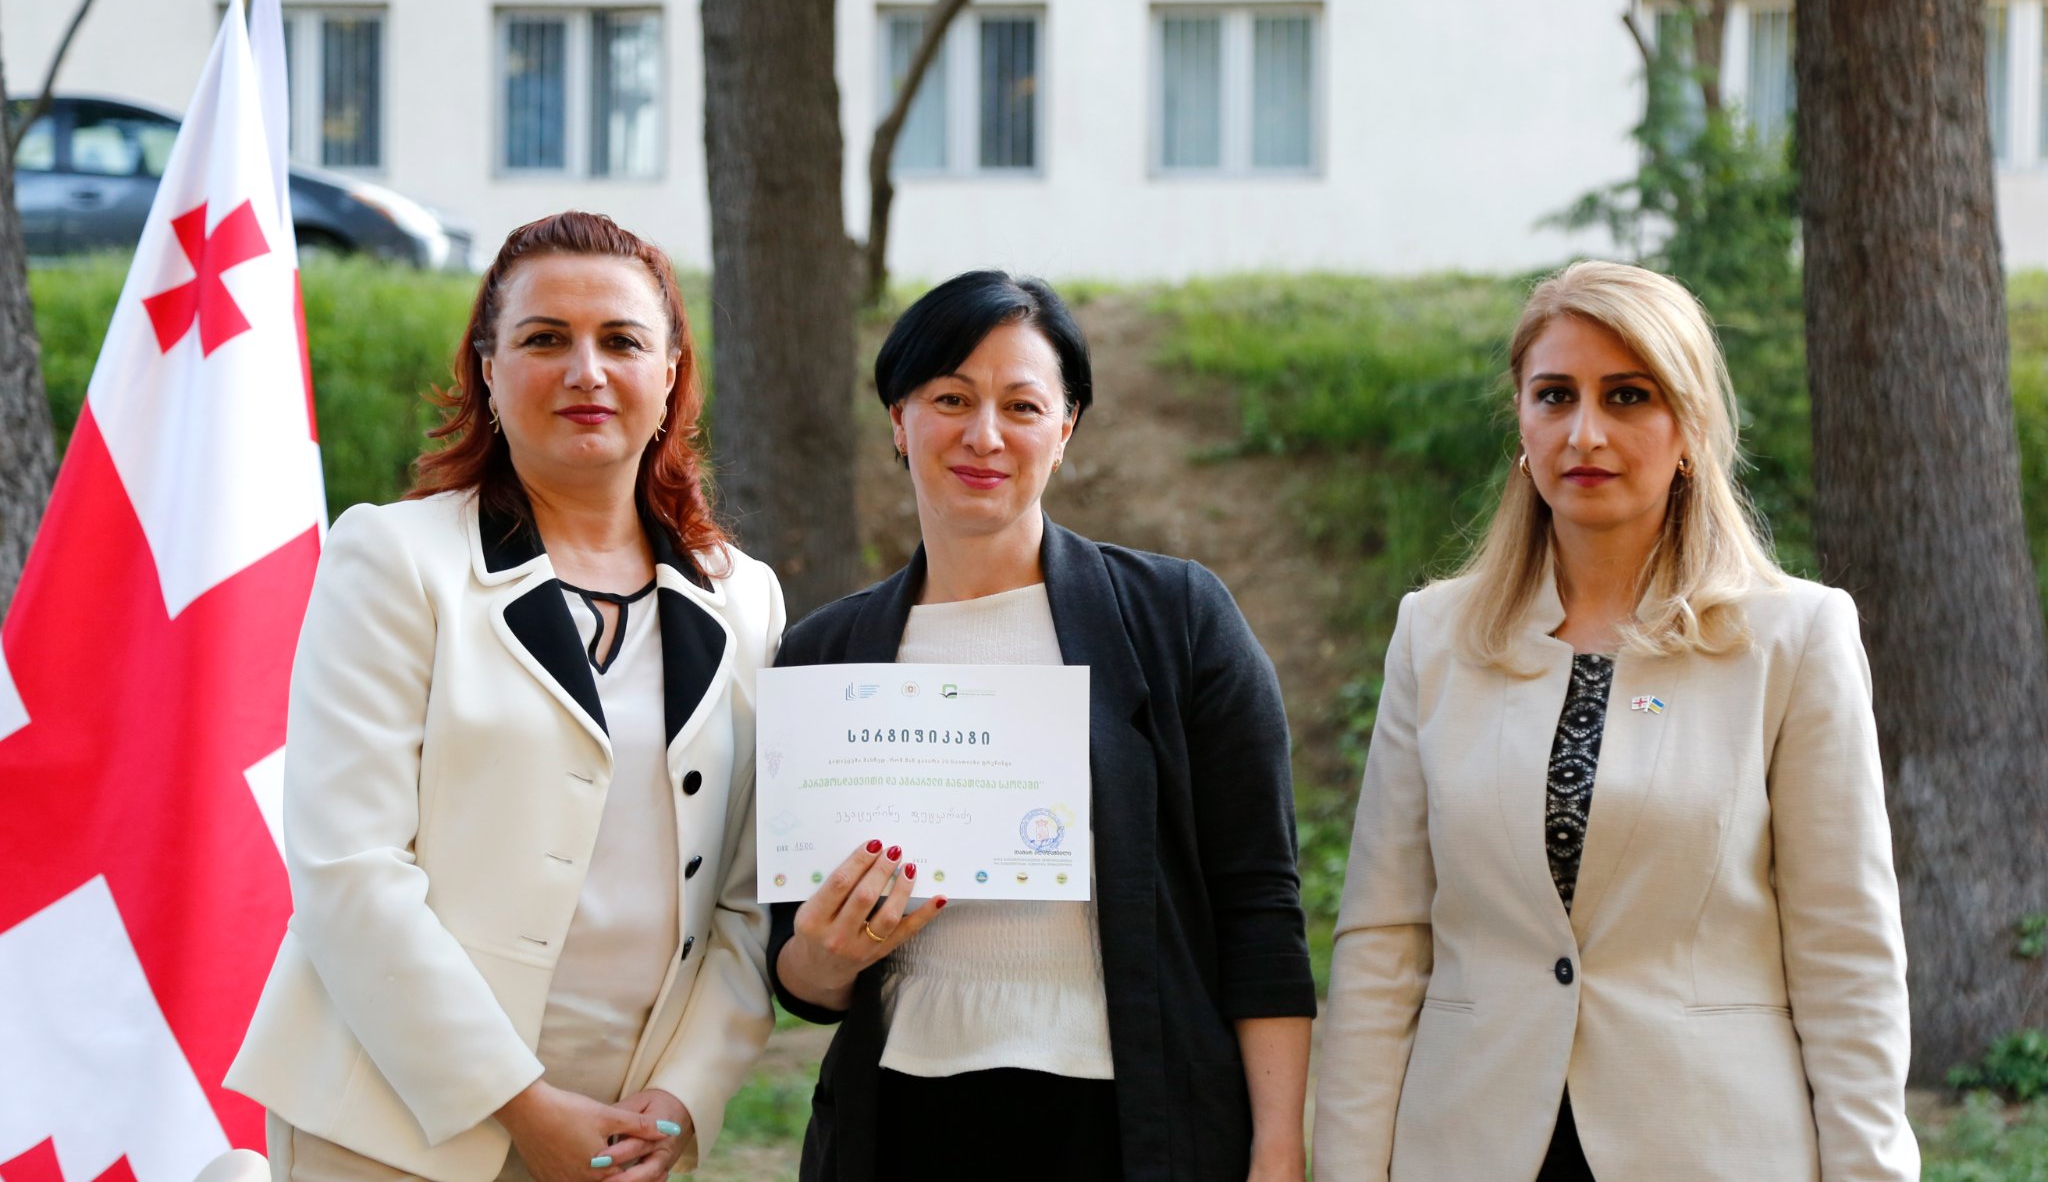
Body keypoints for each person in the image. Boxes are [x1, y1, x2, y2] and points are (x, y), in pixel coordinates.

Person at [1311, 260, 1918, 1180]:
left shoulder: (1792, 638)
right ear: (1521, 420)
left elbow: (1847, 955)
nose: (1584, 432)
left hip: (1711, 1148)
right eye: (1555, 395)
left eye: (1628, 396)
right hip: (1471, 1145)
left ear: (1690, 427)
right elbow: (1383, 944)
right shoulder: (1434, 638)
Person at [227, 212, 783, 1182]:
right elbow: (349, 868)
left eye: (621, 341)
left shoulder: (746, 597)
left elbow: (745, 897)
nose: (585, 371)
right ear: (487, 369)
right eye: (544, 338)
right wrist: (518, 1104)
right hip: (390, 1129)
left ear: (670, 374)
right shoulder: (393, 558)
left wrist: (683, 1098)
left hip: (623, 1137)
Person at [764, 270, 1317, 1182]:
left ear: (1065, 430)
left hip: (1130, 1128)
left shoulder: (1178, 620)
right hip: (902, 1123)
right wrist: (823, 959)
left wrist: (1278, 1151)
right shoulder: (826, 656)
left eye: (1022, 406)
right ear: (898, 419)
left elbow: (1258, 904)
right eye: (951, 399)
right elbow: (797, 970)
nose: (984, 436)